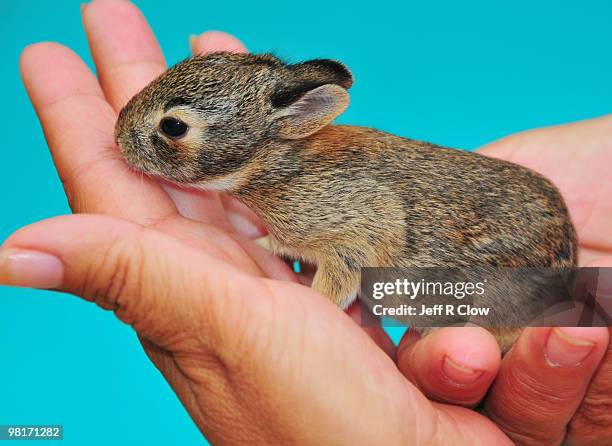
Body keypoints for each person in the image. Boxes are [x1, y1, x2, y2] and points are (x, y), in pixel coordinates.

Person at [2, 0, 611, 444]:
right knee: (447, 340)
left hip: (507, 251)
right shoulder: (282, 191)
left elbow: (360, 241)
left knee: (442, 323)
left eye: (174, 131)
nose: (137, 145)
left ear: (281, 128)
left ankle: (521, 323)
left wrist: (324, 313)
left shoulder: (304, 189)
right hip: (530, 220)